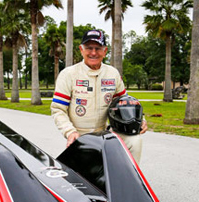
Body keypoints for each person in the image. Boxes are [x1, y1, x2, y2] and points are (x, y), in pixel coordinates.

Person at [51, 29, 147, 163]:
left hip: (106, 133)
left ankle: (127, 180)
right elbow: (58, 109)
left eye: (98, 48)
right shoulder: (68, 74)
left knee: (135, 140)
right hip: (79, 135)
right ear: (81, 49)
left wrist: (139, 120)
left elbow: (125, 103)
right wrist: (70, 132)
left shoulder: (112, 73)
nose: (93, 53)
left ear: (105, 51)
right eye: (89, 48)